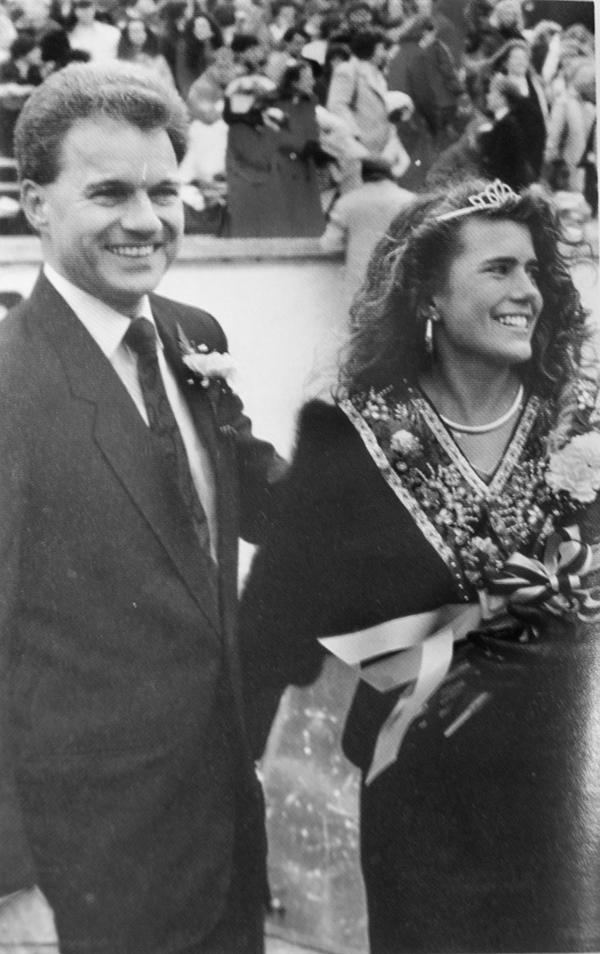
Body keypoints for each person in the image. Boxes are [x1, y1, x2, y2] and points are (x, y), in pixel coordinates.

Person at [239, 177, 600, 953]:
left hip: (570, 818)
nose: (526, 291)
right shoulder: (349, 443)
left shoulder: (582, 426)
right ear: (429, 295)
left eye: (534, 271)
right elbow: (270, 638)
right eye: (498, 269)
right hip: (422, 825)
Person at [0, 60, 283, 954]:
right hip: (83, 876)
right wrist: (12, 886)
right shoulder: (7, 385)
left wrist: (449, 483)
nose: (146, 220)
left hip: (224, 844)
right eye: (110, 192)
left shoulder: (194, 334)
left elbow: (261, 494)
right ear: (36, 203)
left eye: (165, 190)